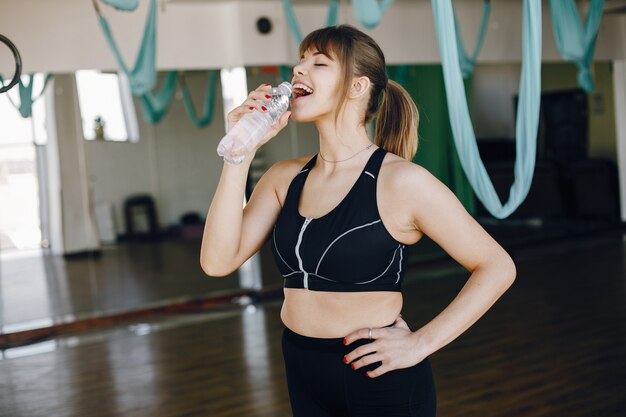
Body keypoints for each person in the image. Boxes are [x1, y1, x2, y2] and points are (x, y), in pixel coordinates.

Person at [200, 24, 516, 417]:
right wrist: (239, 153)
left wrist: (420, 343)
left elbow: (497, 266)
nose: (298, 70)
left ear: (357, 87)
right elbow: (217, 262)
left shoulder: (402, 182)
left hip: (376, 375)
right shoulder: (284, 177)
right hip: (301, 365)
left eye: (318, 62)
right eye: (299, 61)